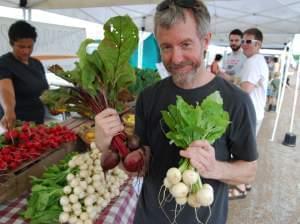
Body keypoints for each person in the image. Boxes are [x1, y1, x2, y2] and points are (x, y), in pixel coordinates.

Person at [95, 0, 258, 223]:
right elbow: (139, 167)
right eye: (166, 47)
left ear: (206, 41)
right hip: (148, 217)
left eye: (186, 44)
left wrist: (215, 168)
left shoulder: (236, 101)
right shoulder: (148, 97)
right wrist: (107, 145)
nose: (176, 58)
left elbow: (249, 170)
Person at [0, 20, 49, 129]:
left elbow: (44, 90)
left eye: (30, 46)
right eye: (21, 47)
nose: (26, 51)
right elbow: (5, 89)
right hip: (16, 125)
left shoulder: (37, 63)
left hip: (38, 122)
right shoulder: (4, 63)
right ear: (11, 43)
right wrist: (9, 110)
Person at [240, 28, 269, 136]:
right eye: (242, 41)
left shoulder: (253, 62)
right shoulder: (258, 60)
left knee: (241, 151)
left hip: (249, 115)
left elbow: (244, 91)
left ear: (258, 44)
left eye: (248, 42)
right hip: (255, 113)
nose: (244, 44)